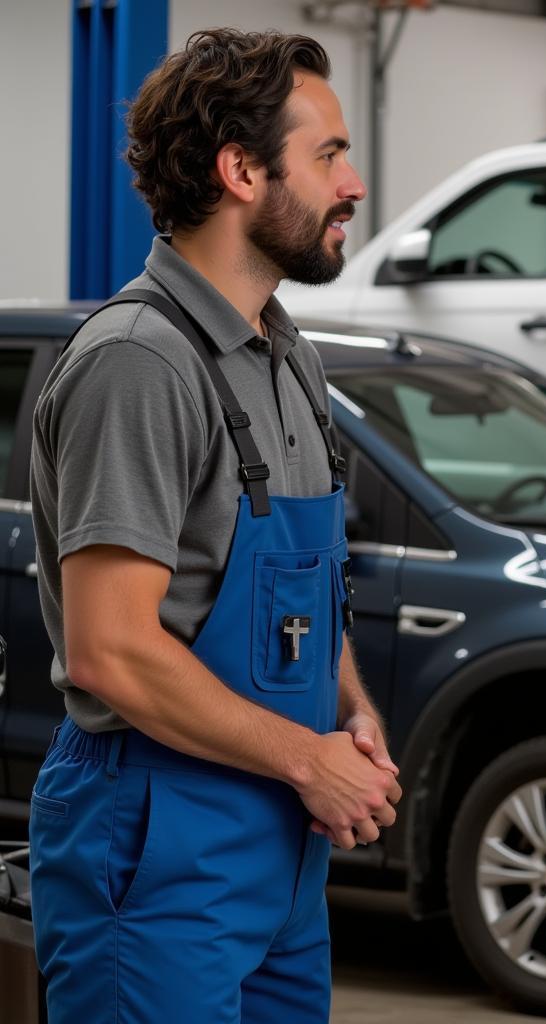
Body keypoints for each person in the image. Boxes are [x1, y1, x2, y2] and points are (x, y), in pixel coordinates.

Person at [29, 28, 401, 1023]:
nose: (354, 182)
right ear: (241, 170)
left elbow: (306, 591)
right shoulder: (140, 360)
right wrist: (302, 753)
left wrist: (348, 711)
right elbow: (110, 650)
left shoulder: (286, 355)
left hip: (279, 838)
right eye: (328, 154)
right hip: (156, 833)